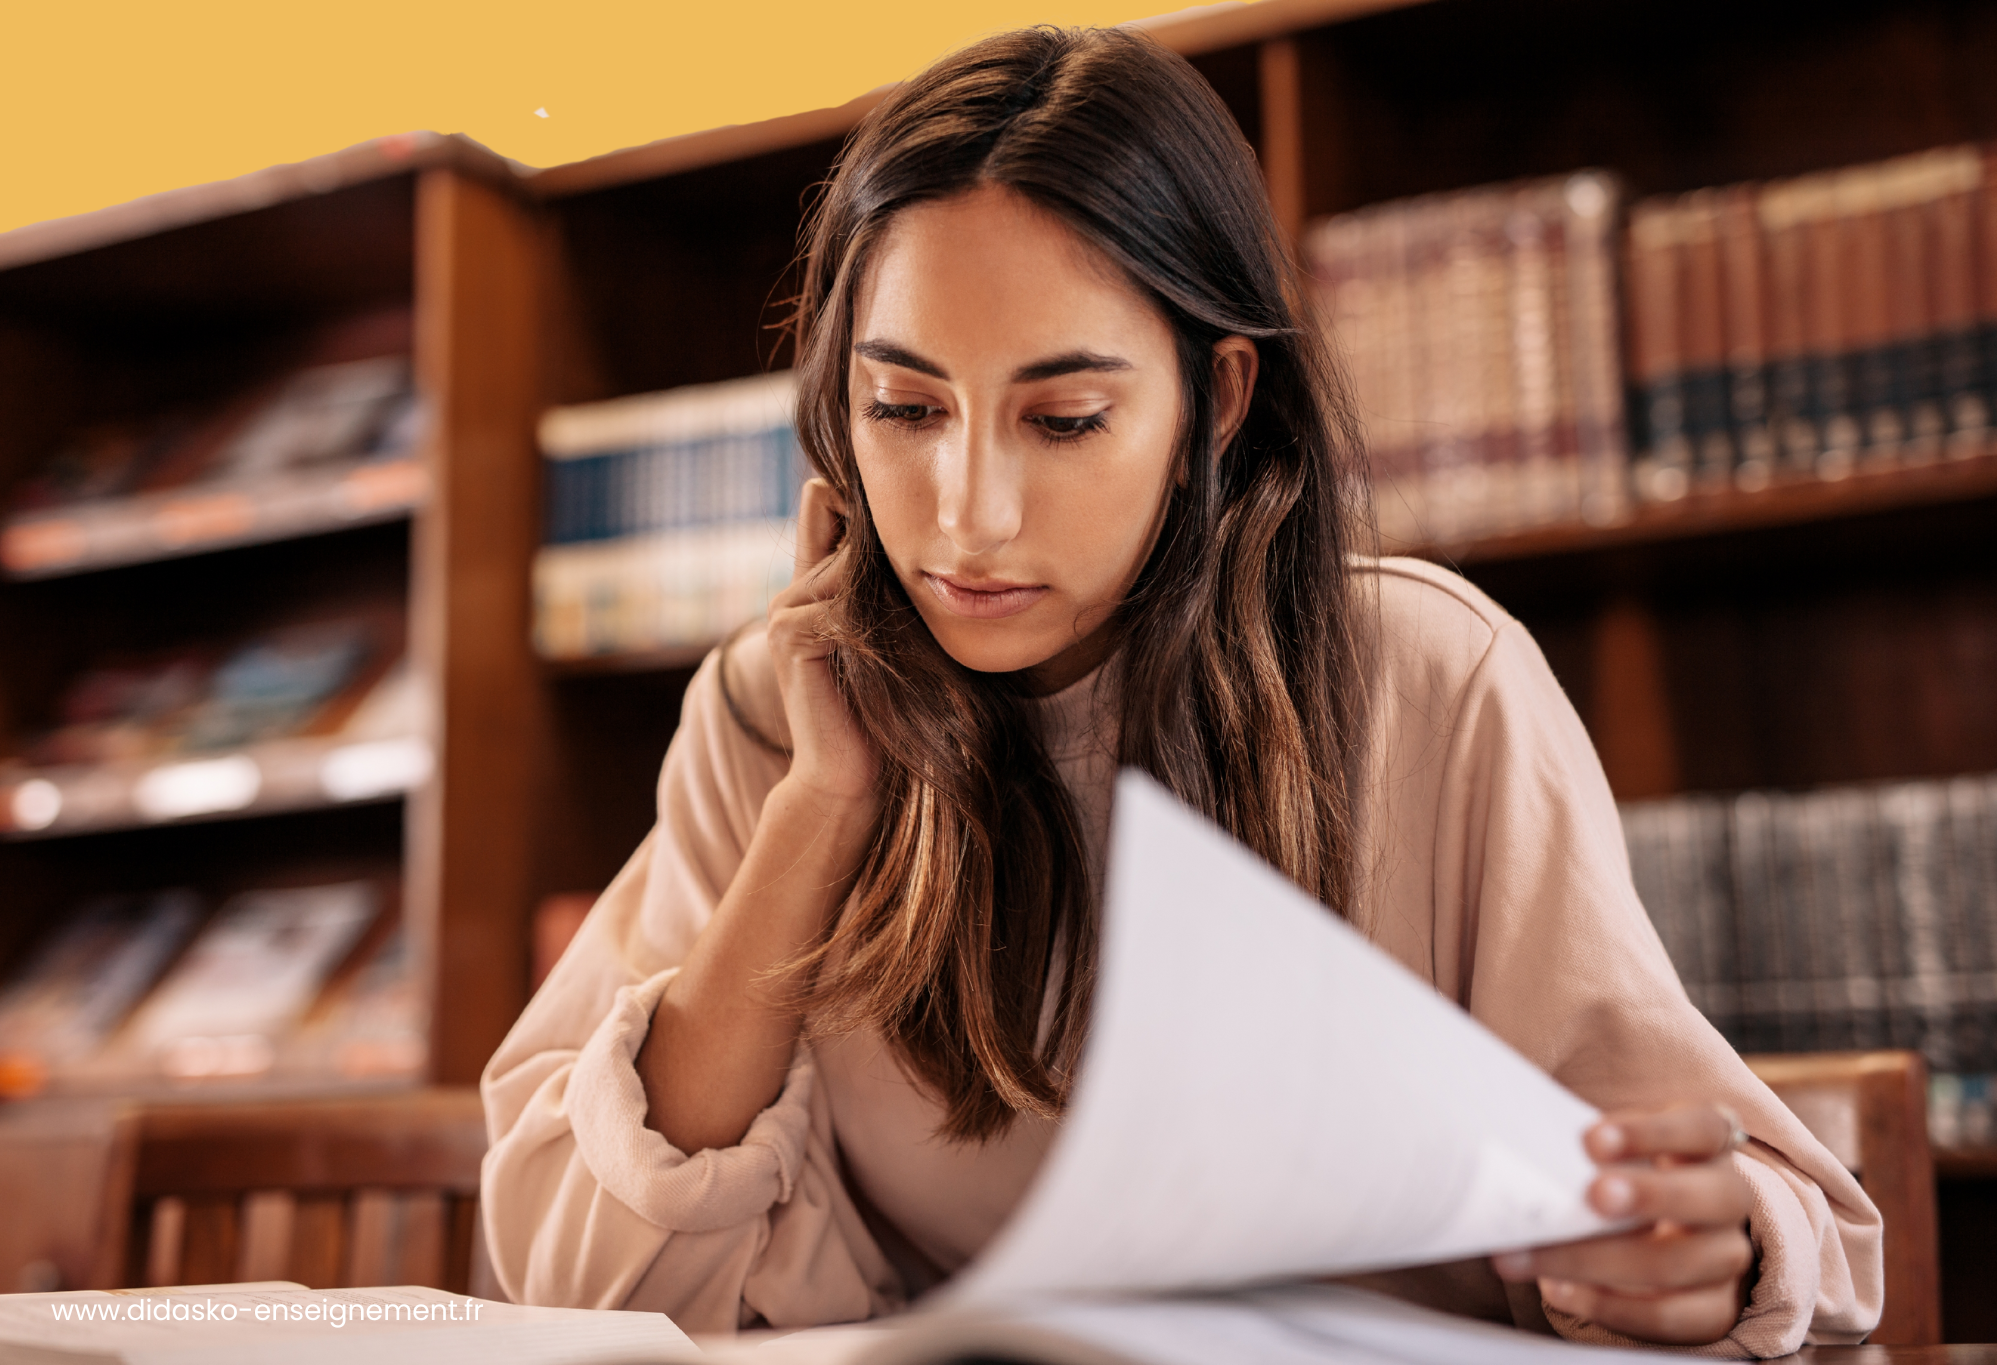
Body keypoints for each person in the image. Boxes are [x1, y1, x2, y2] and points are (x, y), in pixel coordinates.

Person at [480, 24, 1881, 1353]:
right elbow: (592, 1274)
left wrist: (1702, 1255)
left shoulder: (1430, 684)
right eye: (903, 409)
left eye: (1066, 420)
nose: (966, 517)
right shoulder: (775, 714)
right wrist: (822, 808)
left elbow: (1754, 1221)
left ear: (1213, 401)